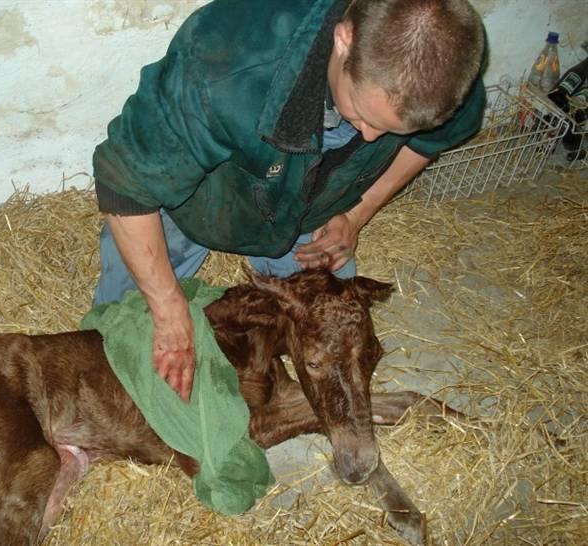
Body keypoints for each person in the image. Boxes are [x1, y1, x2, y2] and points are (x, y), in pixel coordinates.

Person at [91, 0, 486, 402]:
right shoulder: (223, 63)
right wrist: (168, 308)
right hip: (202, 195)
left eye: (390, 130)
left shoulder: (443, 69)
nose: (369, 138)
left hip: (309, 205)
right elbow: (127, 187)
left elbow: (431, 140)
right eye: (364, 116)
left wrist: (355, 213)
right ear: (343, 40)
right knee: (117, 339)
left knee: (333, 334)